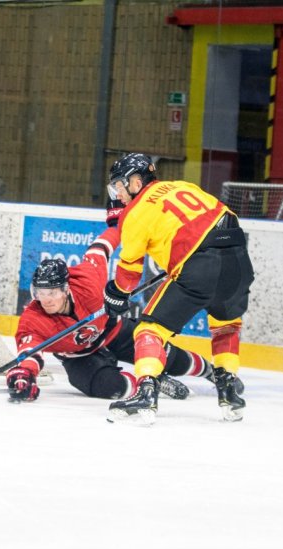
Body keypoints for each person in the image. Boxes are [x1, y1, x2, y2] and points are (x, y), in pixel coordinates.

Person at [102, 153, 254, 423]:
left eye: (119, 185)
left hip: (200, 267)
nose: (118, 193)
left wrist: (116, 293)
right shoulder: (182, 186)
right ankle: (229, 392)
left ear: (135, 182)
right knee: (226, 326)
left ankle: (146, 392)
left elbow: (129, 276)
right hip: (239, 262)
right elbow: (224, 219)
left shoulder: (134, 213)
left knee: (149, 330)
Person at [6, 224, 220, 405]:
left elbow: (100, 249)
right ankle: (152, 383)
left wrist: (121, 224)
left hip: (114, 331)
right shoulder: (33, 319)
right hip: (79, 357)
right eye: (40, 293)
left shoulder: (87, 281)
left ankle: (212, 372)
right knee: (109, 387)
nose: (46, 300)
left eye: (52, 292)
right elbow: (30, 353)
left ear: (66, 289)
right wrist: (24, 375)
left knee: (168, 356)